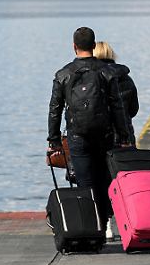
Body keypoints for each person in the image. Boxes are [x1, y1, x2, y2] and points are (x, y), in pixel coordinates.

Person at [47, 27, 132, 236]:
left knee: (85, 182)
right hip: (104, 134)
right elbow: (117, 106)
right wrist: (123, 136)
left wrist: (54, 141)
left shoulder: (63, 74)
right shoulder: (107, 72)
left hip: (78, 136)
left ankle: (90, 226)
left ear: (74, 46)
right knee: (105, 178)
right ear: (94, 46)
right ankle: (108, 223)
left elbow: (54, 110)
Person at [94, 41, 139, 144]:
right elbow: (133, 110)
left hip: (99, 137)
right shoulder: (126, 78)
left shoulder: (91, 79)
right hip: (125, 136)